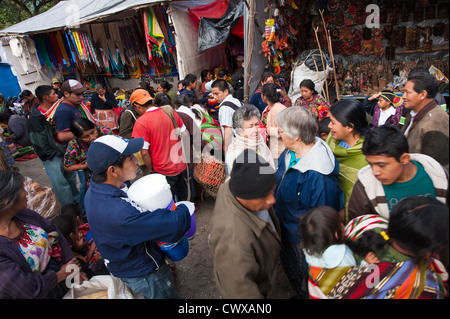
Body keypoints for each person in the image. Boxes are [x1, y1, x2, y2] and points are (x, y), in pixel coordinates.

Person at [84, 135, 191, 298]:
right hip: (145, 274)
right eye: (130, 158)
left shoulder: (94, 191)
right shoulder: (120, 214)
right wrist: (183, 208)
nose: (136, 161)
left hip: (122, 263)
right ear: (112, 170)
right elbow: (171, 225)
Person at [274, 106, 342, 298]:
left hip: (301, 241)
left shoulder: (319, 175)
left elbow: (320, 220)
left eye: (281, 131)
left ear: (296, 136)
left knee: (306, 279)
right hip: (286, 228)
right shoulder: (289, 153)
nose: (279, 134)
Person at [209, 149, 293, 298]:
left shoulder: (235, 184)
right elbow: (241, 293)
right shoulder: (234, 242)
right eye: (263, 197)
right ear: (243, 198)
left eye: (271, 191)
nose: (271, 201)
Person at [0, 170, 86, 299]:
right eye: (22, 189)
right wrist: (61, 275)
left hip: (60, 273)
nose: (26, 192)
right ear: (7, 202)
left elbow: (54, 231)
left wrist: (72, 267)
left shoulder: (25, 215)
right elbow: (28, 290)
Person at [348, 125, 449, 220]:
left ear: (404, 159)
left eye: (381, 165)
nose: (375, 172)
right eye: (370, 164)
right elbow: (358, 227)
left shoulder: (438, 175)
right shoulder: (364, 187)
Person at [132, 92, 189, 202]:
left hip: (163, 169)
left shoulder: (141, 122)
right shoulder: (169, 112)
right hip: (180, 164)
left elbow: (144, 152)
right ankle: (186, 216)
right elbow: (185, 134)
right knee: (183, 198)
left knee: (169, 201)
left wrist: (150, 170)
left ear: (137, 106)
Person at [28, 85, 79, 207]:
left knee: (71, 178)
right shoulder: (37, 116)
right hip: (51, 154)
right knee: (60, 183)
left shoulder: (58, 109)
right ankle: (69, 208)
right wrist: (49, 154)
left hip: (65, 150)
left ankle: (77, 204)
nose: (57, 95)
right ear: (45, 97)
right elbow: (38, 139)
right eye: (53, 94)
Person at [325, 99, 369, 221]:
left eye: (333, 123)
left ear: (350, 127)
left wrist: (347, 212)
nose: (329, 126)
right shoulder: (331, 140)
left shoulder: (368, 155)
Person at [401, 71, 449, 171]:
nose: (403, 96)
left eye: (407, 92)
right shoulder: (412, 114)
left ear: (423, 94)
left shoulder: (435, 122)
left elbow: (438, 169)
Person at [51, 204, 109, 279]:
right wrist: (100, 260)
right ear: (71, 236)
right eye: (77, 230)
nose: (80, 233)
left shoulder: (61, 248)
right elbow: (92, 277)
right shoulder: (73, 261)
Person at [226, 104, 274, 173]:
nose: (256, 130)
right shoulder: (236, 153)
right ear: (240, 131)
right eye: (250, 127)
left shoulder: (260, 142)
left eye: (257, 124)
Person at [52, 79, 96, 144]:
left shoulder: (77, 105)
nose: (81, 97)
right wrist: (86, 135)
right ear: (66, 94)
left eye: (82, 94)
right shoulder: (63, 111)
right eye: (78, 94)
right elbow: (62, 136)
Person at [211, 79, 242, 154]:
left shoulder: (224, 108)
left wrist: (226, 149)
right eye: (213, 94)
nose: (214, 97)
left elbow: (228, 131)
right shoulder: (235, 101)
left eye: (217, 94)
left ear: (226, 92)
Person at [261, 83, 287, 162]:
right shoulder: (267, 108)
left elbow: (285, 131)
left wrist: (267, 131)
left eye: (262, 94)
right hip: (271, 148)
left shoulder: (280, 109)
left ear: (265, 96)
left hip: (280, 149)